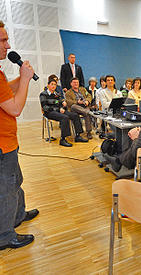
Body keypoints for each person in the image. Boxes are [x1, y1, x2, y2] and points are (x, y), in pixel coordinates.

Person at [0, 20, 39, 250]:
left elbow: (6, 91)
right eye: (3, 40)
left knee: (16, 182)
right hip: (3, 145)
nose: (8, 45)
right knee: (6, 190)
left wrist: (21, 78)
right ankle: (5, 236)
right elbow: (14, 108)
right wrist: (24, 79)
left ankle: (18, 214)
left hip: (8, 142)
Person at [40, 79, 88, 146]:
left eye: (55, 85)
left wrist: (62, 106)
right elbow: (45, 108)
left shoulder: (57, 94)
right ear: (48, 85)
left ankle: (78, 135)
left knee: (74, 115)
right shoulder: (43, 94)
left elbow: (61, 103)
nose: (53, 86)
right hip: (49, 112)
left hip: (58, 110)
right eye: (52, 84)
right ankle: (63, 139)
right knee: (65, 117)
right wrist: (58, 109)